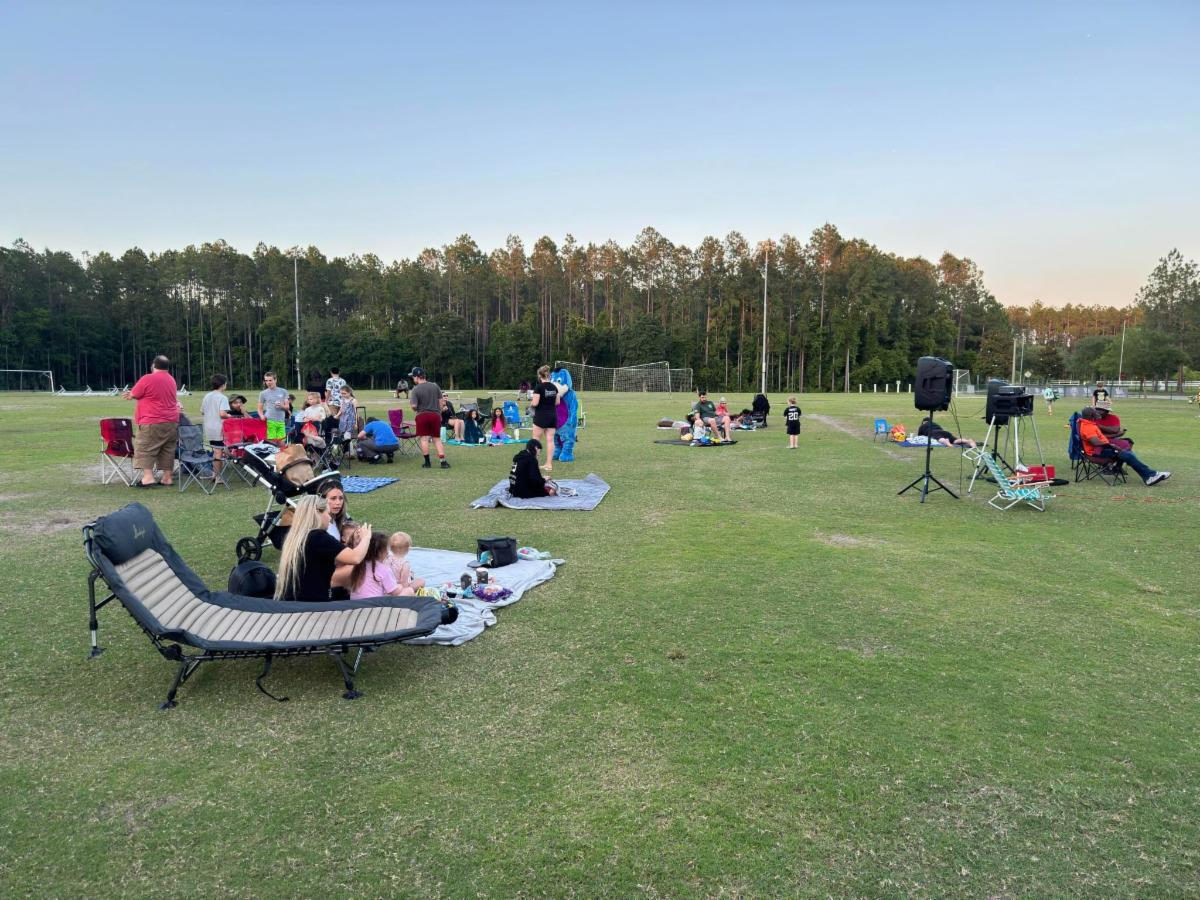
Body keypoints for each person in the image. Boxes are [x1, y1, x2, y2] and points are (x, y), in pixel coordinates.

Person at [275, 495, 373, 603]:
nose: (330, 519)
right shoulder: (318, 537)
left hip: (291, 601)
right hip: (311, 604)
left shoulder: (295, 537)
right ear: (318, 513)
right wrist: (366, 537)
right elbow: (355, 558)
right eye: (327, 513)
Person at [123, 355, 179, 487]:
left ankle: (148, 478)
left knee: (145, 448)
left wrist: (130, 395)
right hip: (171, 421)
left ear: (153, 365)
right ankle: (167, 478)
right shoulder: (171, 379)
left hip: (152, 420)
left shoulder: (148, 378)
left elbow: (135, 393)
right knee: (167, 449)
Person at [1078, 407, 1169, 486]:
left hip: (1101, 449)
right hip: (1097, 453)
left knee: (1127, 452)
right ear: (1091, 415)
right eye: (1095, 412)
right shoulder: (1087, 427)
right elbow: (1096, 442)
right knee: (1127, 454)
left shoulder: (1089, 424)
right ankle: (1150, 476)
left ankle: (1150, 475)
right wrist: (1112, 446)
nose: (1097, 413)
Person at [347, 531, 411, 600]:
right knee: (409, 591)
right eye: (386, 549)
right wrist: (400, 586)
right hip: (374, 604)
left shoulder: (359, 565)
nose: (387, 552)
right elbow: (394, 592)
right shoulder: (383, 569)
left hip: (354, 603)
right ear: (381, 552)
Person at [408, 367, 449, 468]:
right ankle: (443, 462)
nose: (412, 378)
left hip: (422, 416)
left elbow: (414, 406)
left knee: (424, 439)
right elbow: (441, 402)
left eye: (413, 377)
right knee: (437, 439)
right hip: (435, 416)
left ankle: (427, 463)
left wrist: (414, 407)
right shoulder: (435, 386)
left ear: (417, 377)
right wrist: (438, 413)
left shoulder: (415, 389)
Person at [200, 373, 232, 480]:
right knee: (219, 452)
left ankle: (214, 474)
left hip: (209, 428)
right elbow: (222, 414)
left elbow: (202, 411)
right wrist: (229, 416)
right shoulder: (222, 397)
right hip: (218, 429)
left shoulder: (207, 396)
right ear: (223, 385)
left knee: (215, 451)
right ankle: (217, 477)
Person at [530, 365, 561, 472]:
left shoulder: (538, 387)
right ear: (549, 375)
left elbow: (535, 403)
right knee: (550, 440)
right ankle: (549, 464)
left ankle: (534, 465)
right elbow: (557, 402)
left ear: (540, 375)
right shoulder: (554, 387)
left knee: (535, 440)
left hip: (541, 417)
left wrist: (531, 403)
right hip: (552, 416)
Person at [257, 371, 291, 444]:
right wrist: (261, 415)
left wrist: (281, 406)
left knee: (281, 443)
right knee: (272, 442)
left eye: (270, 380)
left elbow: (287, 407)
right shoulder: (263, 393)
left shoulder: (284, 391)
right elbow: (259, 408)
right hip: (269, 421)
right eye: (266, 380)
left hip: (281, 421)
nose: (268, 382)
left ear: (275, 380)